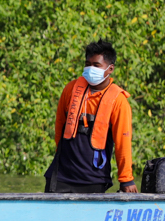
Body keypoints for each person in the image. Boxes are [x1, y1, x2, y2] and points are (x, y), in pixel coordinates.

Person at [44, 40, 137, 194]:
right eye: (87, 64)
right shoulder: (70, 89)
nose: (90, 69)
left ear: (110, 69)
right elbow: (59, 127)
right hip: (61, 175)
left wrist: (126, 179)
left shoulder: (119, 101)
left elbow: (123, 141)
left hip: (94, 178)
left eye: (96, 65)